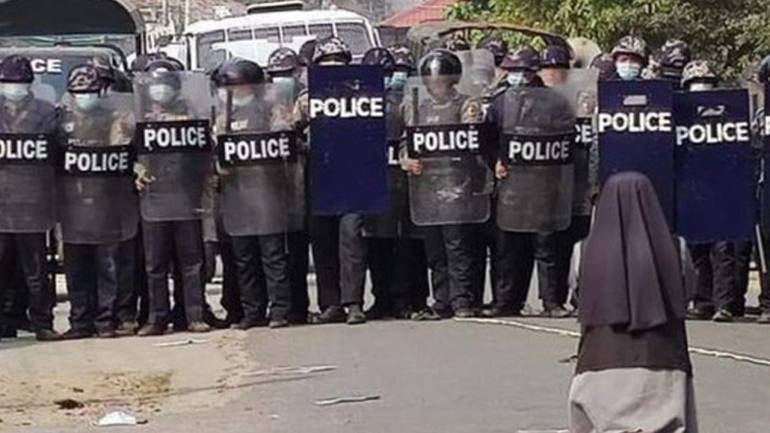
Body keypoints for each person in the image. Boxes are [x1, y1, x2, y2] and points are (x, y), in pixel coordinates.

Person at [567, 172, 698, 433]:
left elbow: (578, 297)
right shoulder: (676, 248)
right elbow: (687, 293)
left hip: (598, 362)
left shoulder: (583, 251)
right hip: (664, 360)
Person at [402, 48, 487, 319]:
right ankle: (442, 300)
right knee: (435, 248)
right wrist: (407, 160)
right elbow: (407, 143)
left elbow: (473, 139)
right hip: (426, 189)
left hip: (457, 185)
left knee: (457, 245)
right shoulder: (418, 108)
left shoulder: (466, 104)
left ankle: (462, 299)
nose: (435, 86)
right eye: (431, 81)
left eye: (441, 80)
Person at [210, 58, 295, 329]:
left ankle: (280, 310)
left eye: (239, 86)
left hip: (267, 192)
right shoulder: (224, 113)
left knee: (272, 255)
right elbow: (216, 148)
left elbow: (285, 142)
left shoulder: (270, 109)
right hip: (237, 194)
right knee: (243, 258)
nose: (234, 92)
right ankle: (252, 312)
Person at [57, 65, 136, 339]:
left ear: (101, 92)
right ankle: (80, 322)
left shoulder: (116, 119)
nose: (84, 97)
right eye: (79, 93)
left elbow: (128, 154)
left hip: (108, 205)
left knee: (107, 268)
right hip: (73, 207)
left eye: (89, 92)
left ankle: (105, 320)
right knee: (76, 269)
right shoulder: (60, 122)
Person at [293, 36, 369, 325]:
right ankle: (331, 304)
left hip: (353, 178)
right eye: (326, 63)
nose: (333, 68)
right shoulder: (306, 99)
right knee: (322, 242)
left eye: (338, 62)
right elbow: (291, 130)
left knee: (351, 241)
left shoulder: (364, 95)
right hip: (319, 176)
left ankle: (354, 303)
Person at [134, 60, 211, 336]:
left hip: (186, 196)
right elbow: (128, 154)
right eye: (156, 87)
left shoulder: (191, 115)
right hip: (153, 198)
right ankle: (157, 318)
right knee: (155, 264)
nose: (160, 92)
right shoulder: (138, 118)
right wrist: (137, 168)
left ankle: (193, 315)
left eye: (166, 87)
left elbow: (205, 152)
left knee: (191, 261)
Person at [0, 55, 60, 341]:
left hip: (33, 202)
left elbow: (58, 152)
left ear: (29, 84)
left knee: (36, 271)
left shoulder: (46, 112)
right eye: (9, 82)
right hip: (1, 203)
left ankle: (42, 322)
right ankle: (5, 322)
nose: (14, 87)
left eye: (19, 82)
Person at [677, 61, 740, 323]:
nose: (701, 90)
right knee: (697, 249)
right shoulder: (681, 117)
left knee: (722, 249)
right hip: (693, 190)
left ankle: (724, 304)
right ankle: (702, 301)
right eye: (695, 85)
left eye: (706, 85)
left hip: (722, 189)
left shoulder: (729, 114)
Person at [482, 47, 542, 318]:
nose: (518, 77)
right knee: (504, 245)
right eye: (514, 71)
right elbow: (487, 138)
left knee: (533, 244)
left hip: (539, 183)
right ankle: (503, 301)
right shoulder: (499, 102)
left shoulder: (549, 101)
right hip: (507, 183)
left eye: (524, 71)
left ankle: (531, 299)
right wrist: (495, 161)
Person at [266, 47, 310, 324]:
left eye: (286, 74)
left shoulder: (307, 101)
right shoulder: (265, 105)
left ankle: (299, 308)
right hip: (269, 189)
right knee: (273, 253)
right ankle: (279, 307)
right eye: (276, 75)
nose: (282, 80)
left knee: (297, 252)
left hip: (300, 185)